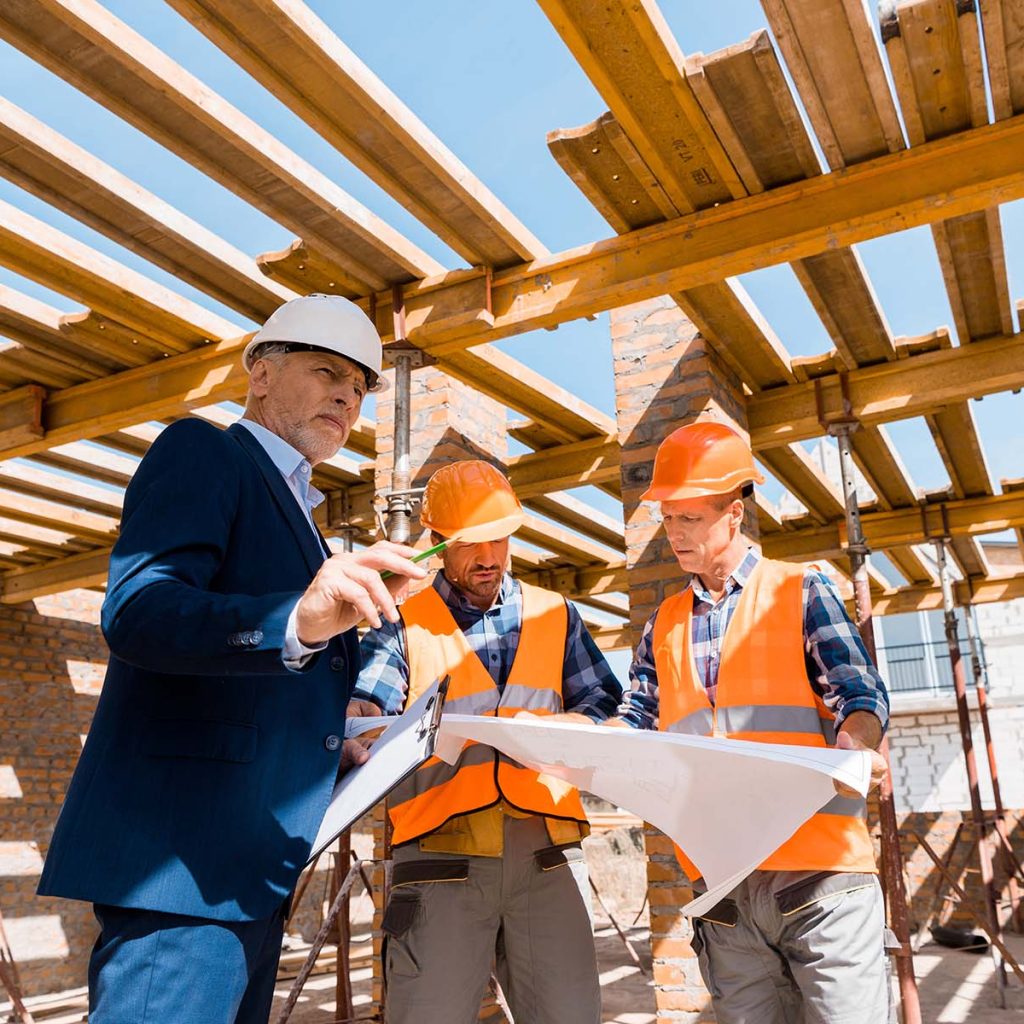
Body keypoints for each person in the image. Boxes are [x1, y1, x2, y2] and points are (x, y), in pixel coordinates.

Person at [37, 293, 426, 1024]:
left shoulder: (304, 519)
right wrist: (297, 617)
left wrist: (333, 737)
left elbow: (260, 684)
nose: (348, 393)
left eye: (360, 386)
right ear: (261, 376)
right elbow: (139, 612)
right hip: (180, 869)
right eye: (327, 370)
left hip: (244, 875)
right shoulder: (204, 451)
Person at [617, 420, 891, 1024]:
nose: (674, 534)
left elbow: (859, 691)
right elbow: (634, 720)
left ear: (734, 514)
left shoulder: (800, 588)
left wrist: (857, 743)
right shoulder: (661, 623)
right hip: (722, 882)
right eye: (667, 519)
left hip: (819, 871)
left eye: (689, 518)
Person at [352, 459, 622, 1024]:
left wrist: (583, 727)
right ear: (438, 543)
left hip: (546, 856)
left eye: (500, 539)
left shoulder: (556, 614)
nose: (490, 557)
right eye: (473, 543)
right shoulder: (401, 620)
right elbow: (369, 707)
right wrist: (363, 720)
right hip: (440, 857)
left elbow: (603, 702)